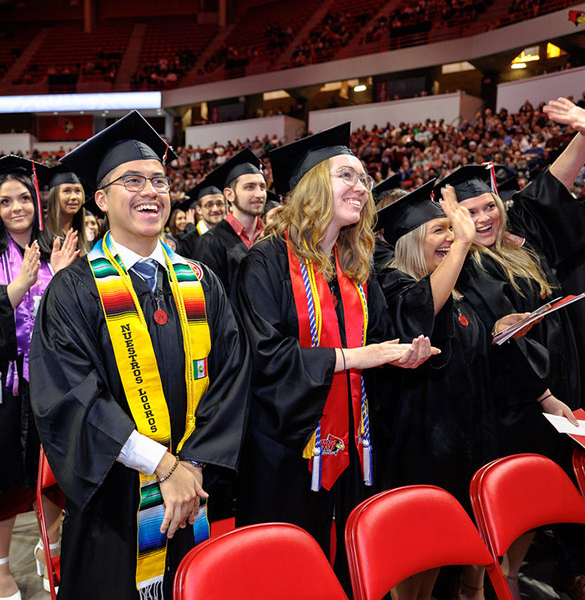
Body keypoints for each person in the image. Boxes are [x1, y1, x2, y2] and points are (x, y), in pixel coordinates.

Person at [29, 110, 250, 600]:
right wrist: (162, 467)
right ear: (101, 200)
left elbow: (232, 376)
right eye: (132, 180)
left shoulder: (200, 281)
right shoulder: (73, 291)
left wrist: (191, 469)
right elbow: (71, 396)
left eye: (159, 180)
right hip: (116, 495)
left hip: (195, 491)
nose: (150, 190)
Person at [232, 122, 437, 590]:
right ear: (311, 189)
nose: (361, 187)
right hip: (285, 449)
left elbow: (377, 343)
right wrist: (357, 357)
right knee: (284, 573)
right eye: (347, 175)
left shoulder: (355, 266)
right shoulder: (264, 263)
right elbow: (265, 356)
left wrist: (398, 358)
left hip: (355, 447)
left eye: (363, 179)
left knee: (348, 565)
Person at [374, 180, 537, 600]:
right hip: (417, 447)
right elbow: (419, 312)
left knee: (441, 558)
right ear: (411, 242)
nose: (450, 238)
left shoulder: (457, 288)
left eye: (452, 229)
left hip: (460, 443)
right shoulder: (390, 284)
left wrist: (499, 330)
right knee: (415, 555)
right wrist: (463, 245)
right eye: (440, 231)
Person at [439, 157, 585, 595]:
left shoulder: (518, 248)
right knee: (506, 503)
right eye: (471, 212)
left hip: (550, 393)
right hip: (511, 402)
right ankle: (480, 585)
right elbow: (492, 340)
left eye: (489, 207)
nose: (484, 218)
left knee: (535, 505)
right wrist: (543, 396)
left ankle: (513, 576)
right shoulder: (463, 263)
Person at [0, 156, 78, 600]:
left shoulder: (54, 247)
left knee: (51, 475)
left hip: (50, 380)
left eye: (24, 197)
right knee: (4, 479)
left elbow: (76, 313)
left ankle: (49, 552)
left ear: (37, 201)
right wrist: (19, 285)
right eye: (5, 201)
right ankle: (0, 571)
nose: (16, 207)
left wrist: (62, 278)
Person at [192, 148, 267, 291]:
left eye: (262, 187)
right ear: (229, 194)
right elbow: (211, 300)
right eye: (249, 187)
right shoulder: (210, 243)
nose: (259, 194)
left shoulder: (272, 236)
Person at [172, 179, 226, 259]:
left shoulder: (232, 235)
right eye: (209, 205)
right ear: (199, 210)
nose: (215, 209)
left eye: (219, 204)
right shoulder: (186, 243)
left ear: (225, 207)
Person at [44, 164, 89, 253]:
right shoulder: (43, 235)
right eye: (66, 191)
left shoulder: (87, 236)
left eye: (77, 191)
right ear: (54, 196)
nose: (73, 197)